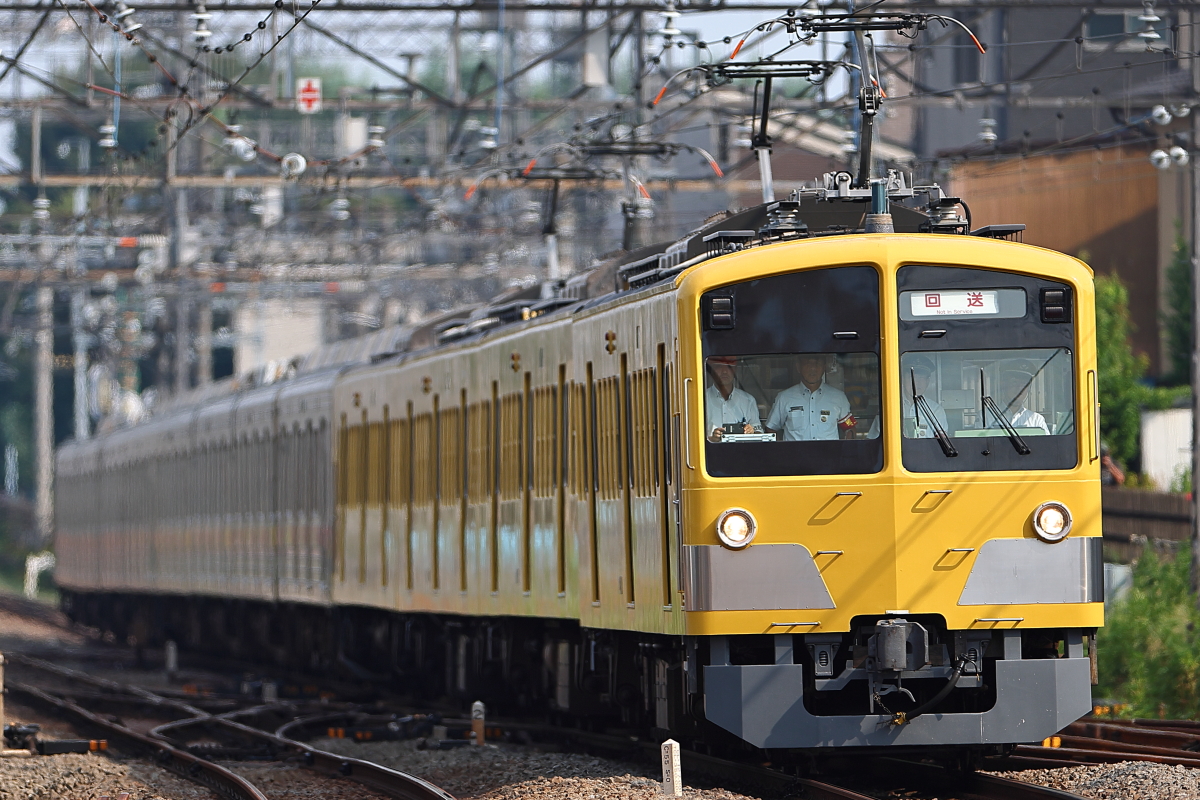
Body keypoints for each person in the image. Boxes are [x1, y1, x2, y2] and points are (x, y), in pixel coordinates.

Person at [766, 353, 855, 441]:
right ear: (798, 367)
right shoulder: (784, 398)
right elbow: (771, 429)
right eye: (807, 364)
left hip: (828, 451)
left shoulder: (838, 397)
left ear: (824, 367)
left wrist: (847, 441)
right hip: (796, 451)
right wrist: (782, 449)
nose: (813, 368)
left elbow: (849, 426)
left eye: (817, 364)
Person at [867, 354, 947, 439]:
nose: (917, 382)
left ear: (927, 382)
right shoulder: (889, 409)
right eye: (911, 377)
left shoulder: (936, 410)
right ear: (903, 379)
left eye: (922, 378)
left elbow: (942, 440)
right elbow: (874, 439)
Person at [704, 356, 762, 442]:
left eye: (729, 367)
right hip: (709, 450)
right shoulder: (701, 399)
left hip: (741, 449)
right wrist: (711, 439)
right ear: (712, 370)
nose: (724, 371)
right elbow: (691, 434)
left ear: (735, 370)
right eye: (719, 367)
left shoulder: (748, 400)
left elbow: (760, 434)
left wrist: (752, 431)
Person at [992, 370, 1049, 434]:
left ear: (1028, 389)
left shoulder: (1037, 420)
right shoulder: (986, 417)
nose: (1019, 388)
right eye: (1014, 382)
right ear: (1004, 386)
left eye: (1024, 384)